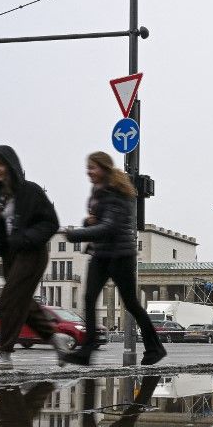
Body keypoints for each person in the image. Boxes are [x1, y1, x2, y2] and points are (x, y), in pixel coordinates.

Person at [61, 151, 165, 366]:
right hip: (101, 253)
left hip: (120, 255)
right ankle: (86, 352)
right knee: (89, 299)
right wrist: (88, 222)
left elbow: (110, 227)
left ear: (104, 168)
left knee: (131, 304)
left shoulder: (115, 191)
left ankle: (155, 348)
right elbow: (99, 221)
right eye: (87, 168)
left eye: (93, 167)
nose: (89, 172)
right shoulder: (98, 190)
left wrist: (77, 234)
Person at [0, 146, 71, 370]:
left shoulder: (31, 191)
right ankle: (55, 338)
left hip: (32, 252)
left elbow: (51, 223)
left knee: (9, 299)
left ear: (11, 165)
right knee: (24, 304)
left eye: (0, 164)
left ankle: (4, 354)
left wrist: (26, 238)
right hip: (10, 255)